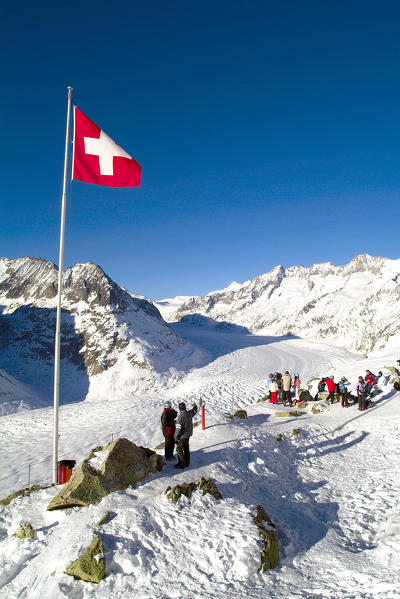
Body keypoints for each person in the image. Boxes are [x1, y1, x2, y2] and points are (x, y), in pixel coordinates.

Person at [174, 401, 198, 469]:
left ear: (179, 409)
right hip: (189, 434)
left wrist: (175, 438)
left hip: (182, 436)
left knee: (178, 449)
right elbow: (195, 410)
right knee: (186, 447)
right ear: (185, 407)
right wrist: (194, 405)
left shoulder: (180, 417)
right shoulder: (189, 413)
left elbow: (178, 430)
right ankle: (187, 462)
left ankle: (182, 463)